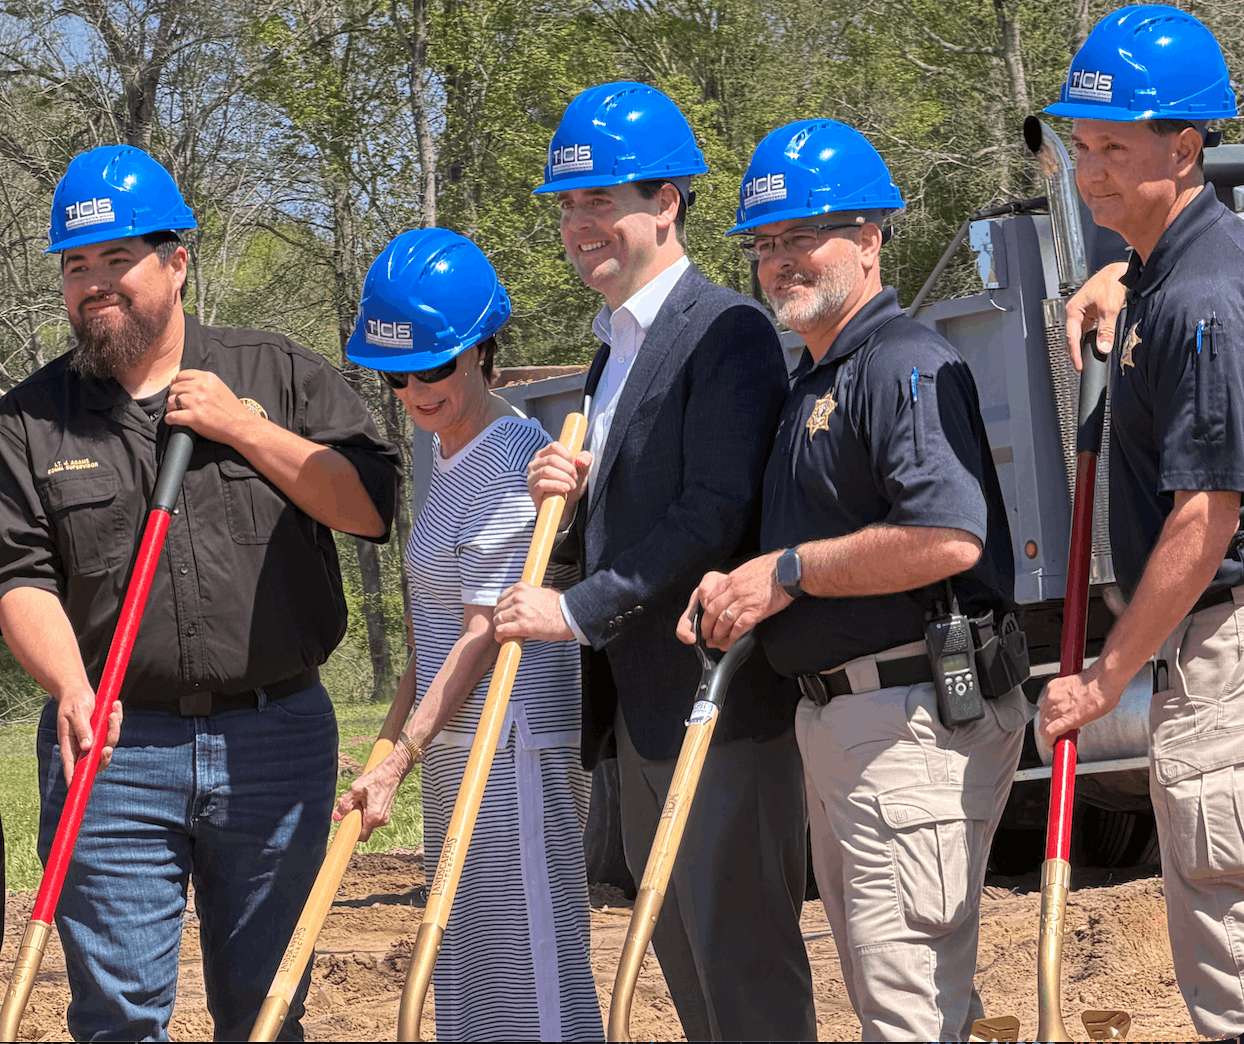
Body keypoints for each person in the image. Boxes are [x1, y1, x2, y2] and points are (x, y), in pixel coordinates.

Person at [0, 145, 402, 1041]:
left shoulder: (277, 375)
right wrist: (70, 685)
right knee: (118, 1017)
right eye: (76, 266)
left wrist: (242, 429)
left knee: (265, 1014)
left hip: (275, 740)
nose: (94, 283)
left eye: (118, 259)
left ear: (178, 263)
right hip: (111, 751)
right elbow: (17, 574)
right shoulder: (27, 422)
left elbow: (370, 506)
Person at [678, 120, 1031, 1042]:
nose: (780, 259)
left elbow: (948, 537)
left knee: (905, 1008)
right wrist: (741, 585)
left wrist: (787, 572)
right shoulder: (817, 377)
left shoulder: (899, 362)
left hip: (910, 719)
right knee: (911, 997)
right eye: (764, 242)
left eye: (805, 235)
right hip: (850, 722)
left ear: (872, 239)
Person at [492, 82, 817, 1041]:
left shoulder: (726, 329)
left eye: (602, 200)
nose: (578, 224)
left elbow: (715, 513)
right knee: (682, 968)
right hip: (643, 710)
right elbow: (650, 507)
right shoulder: (613, 352)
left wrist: (578, 608)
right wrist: (583, 493)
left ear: (667, 203)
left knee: (742, 972)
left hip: (719, 702)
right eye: (568, 204)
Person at [334, 228, 602, 1042]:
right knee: (470, 961)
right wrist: (394, 751)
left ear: (486, 352)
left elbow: (484, 632)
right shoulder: (445, 459)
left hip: (514, 744)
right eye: (398, 374)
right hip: (460, 743)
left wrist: (400, 762)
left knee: (532, 958)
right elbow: (430, 637)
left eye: (437, 367)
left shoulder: (515, 455)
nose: (417, 390)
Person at [1034, 7, 1244, 1039]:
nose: (1091, 172)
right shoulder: (1167, 274)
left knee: (1230, 972)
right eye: (1080, 147)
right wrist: (1122, 274)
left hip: (1221, 650)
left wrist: (1103, 675)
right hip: (1200, 655)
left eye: (1114, 147)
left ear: (1183, 145)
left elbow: (1201, 516)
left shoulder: (1201, 292)